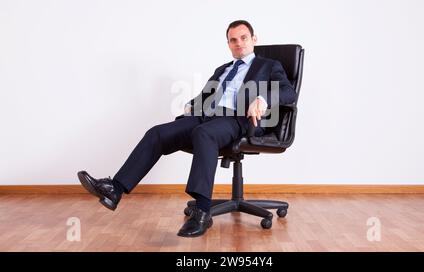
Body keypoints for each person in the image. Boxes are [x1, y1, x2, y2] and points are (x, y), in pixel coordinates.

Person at [77, 20, 296, 237]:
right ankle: (115, 188)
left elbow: (289, 93)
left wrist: (262, 99)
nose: (239, 43)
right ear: (228, 44)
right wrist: (192, 105)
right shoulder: (222, 69)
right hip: (207, 115)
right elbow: (205, 96)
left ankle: (201, 212)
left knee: (204, 133)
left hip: (238, 120)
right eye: (233, 40)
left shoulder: (268, 66)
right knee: (158, 133)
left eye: (244, 38)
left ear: (254, 39)